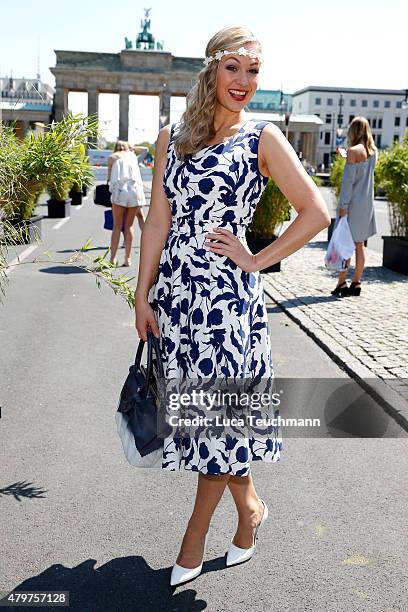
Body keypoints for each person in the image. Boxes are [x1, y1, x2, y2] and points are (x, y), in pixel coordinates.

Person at [134, 25, 330, 587]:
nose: (244, 81)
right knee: (213, 421)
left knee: (217, 420)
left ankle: (192, 540)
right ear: (211, 70)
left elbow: (315, 212)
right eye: (234, 68)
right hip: (178, 303)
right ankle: (249, 513)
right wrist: (143, 294)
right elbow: (157, 222)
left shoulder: (263, 137)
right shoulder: (171, 139)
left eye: (254, 71)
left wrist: (256, 259)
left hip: (228, 308)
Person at [331, 117, 378, 297]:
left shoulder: (352, 151)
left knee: (345, 244)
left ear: (353, 131)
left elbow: (348, 183)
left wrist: (342, 206)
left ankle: (341, 283)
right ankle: (356, 283)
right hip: (366, 205)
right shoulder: (373, 152)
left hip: (352, 206)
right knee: (359, 245)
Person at [107, 140, 148, 266]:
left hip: (120, 191)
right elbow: (145, 150)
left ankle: (113, 258)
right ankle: (127, 259)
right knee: (129, 226)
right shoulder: (132, 156)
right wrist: (133, 147)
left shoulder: (112, 157)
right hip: (135, 191)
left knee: (117, 227)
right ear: (128, 148)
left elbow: (109, 178)